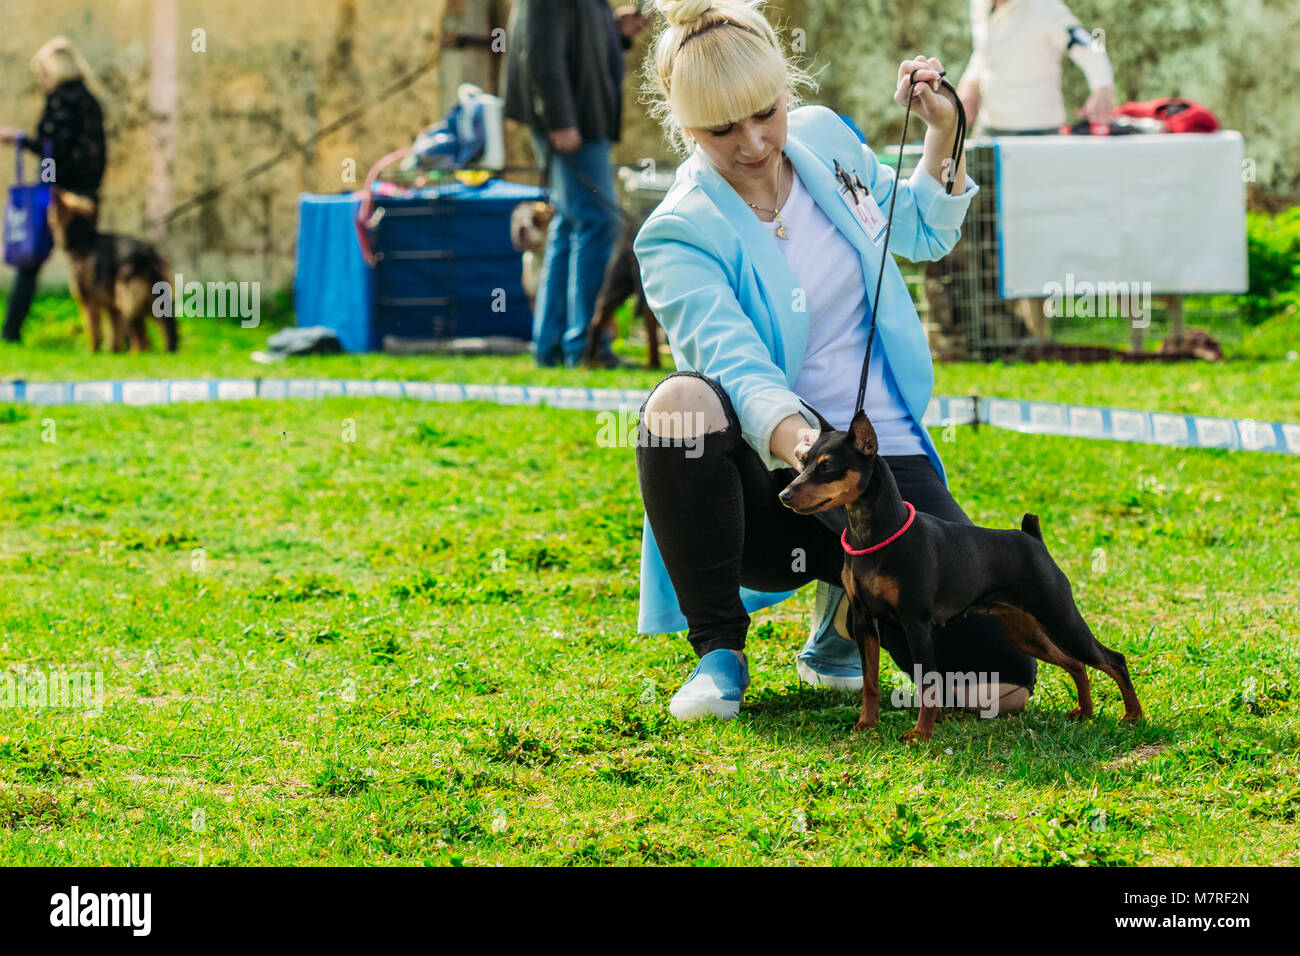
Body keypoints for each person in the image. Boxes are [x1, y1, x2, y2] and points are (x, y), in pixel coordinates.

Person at [632, 0, 1038, 721]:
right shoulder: (676, 234)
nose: (754, 143)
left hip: (879, 463)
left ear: (786, 94)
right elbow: (739, 369)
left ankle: (844, 627)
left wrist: (944, 129)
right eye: (723, 130)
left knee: (996, 690)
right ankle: (719, 652)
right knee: (680, 404)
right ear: (684, 123)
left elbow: (917, 232)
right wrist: (814, 458)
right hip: (780, 478)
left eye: (767, 113)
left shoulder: (826, 140)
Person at [502, 1, 653, 368]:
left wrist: (612, 29)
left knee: (571, 224)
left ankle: (553, 347)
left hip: (581, 117)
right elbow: (539, 52)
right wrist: (560, 118)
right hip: (575, 122)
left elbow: (565, 37)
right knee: (597, 222)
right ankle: (587, 348)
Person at [956, 0, 1116, 340]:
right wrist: (967, 89)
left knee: (1036, 231)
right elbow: (984, 54)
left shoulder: (1045, 7)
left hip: (1039, 135)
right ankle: (991, 326)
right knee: (984, 230)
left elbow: (1084, 44)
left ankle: (1039, 330)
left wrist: (1102, 86)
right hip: (990, 134)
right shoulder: (980, 6)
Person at [0, 36, 106, 344]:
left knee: (30, 260)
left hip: (59, 192)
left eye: (44, 74)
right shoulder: (90, 100)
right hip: (87, 189)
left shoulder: (61, 100)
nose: (42, 81)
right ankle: (105, 333)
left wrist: (19, 140)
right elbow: (96, 152)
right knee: (90, 262)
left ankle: (11, 330)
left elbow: (51, 150)